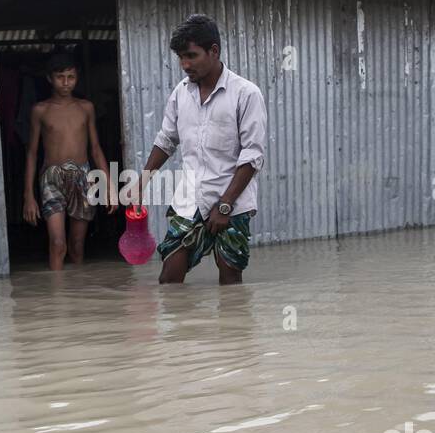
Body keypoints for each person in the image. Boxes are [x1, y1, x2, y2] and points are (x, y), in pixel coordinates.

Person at [133, 14, 267, 285]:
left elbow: (252, 156)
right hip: (190, 197)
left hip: (234, 201)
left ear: (214, 51)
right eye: (181, 57)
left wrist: (226, 205)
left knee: (230, 279)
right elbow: (166, 140)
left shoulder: (246, 94)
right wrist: (140, 183)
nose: (184, 65)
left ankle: (231, 329)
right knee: (169, 277)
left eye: (191, 56)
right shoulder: (181, 93)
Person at [23, 52, 115, 269]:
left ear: (77, 78)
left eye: (71, 77)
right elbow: (32, 153)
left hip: (83, 177)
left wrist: (108, 185)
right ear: (49, 79)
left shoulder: (86, 108)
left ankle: (76, 297)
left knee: (77, 244)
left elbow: (95, 148)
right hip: (51, 179)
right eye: (60, 77)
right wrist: (29, 195)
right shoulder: (40, 110)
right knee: (57, 243)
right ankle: (58, 296)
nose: (66, 82)